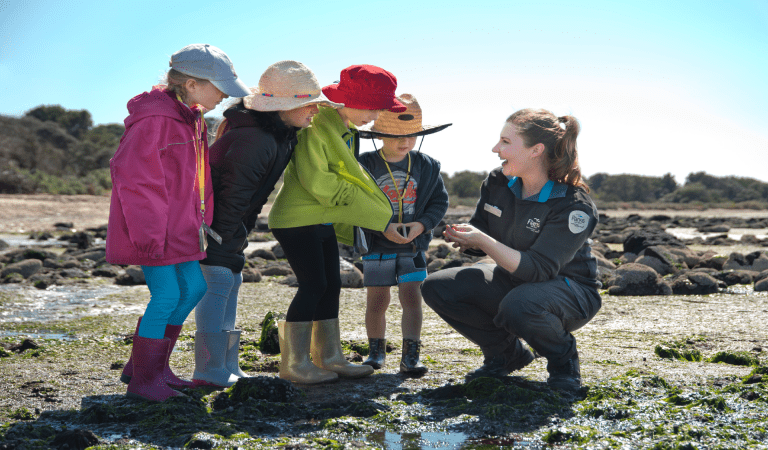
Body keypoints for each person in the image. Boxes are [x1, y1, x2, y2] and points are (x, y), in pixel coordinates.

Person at [420, 108, 601, 391]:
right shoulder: (498, 182)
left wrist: (483, 241)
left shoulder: (573, 205)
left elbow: (538, 269)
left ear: (535, 150)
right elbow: (483, 235)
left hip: (571, 291)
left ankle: (564, 364)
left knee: (520, 304)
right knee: (437, 286)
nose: (495, 148)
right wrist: (467, 238)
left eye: (505, 142)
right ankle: (506, 355)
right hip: (515, 280)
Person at [108, 44, 250, 401]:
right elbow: (133, 176)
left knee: (196, 289)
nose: (222, 96)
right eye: (218, 88)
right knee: (167, 294)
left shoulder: (193, 118)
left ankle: (150, 368)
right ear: (190, 83)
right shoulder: (155, 119)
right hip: (155, 230)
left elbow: (198, 179)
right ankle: (144, 381)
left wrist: (203, 220)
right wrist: (148, 232)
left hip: (185, 229)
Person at [191, 61, 343, 387]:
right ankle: (207, 369)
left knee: (230, 285)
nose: (317, 110)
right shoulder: (255, 141)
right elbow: (233, 196)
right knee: (218, 285)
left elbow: (249, 200)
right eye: (310, 104)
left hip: (228, 230)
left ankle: (226, 366)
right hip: (212, 230)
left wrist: (238, 238)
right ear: (283, 107)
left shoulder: (281, 135)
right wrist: (224, 240)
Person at [268, 64, 405, 384]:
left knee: (331, 285)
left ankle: (327, 356)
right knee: (313, 285)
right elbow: (320, 182)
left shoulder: (345, 129)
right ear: (348, 100)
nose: (375, 116)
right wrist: (378, 219)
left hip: (322, 217)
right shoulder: (317, 125)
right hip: (297, 219)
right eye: (373, 107)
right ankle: (294, 364)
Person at [356, 94, 450, 375]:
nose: (404, 142)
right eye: (395, 135)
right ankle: (376, 354)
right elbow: (355, 202)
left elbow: (439, 202)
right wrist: (381, 226)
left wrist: (421, 226)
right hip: (376, 245)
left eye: (411, 136)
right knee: (377, 300)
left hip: (413, 247)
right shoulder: (364, 164)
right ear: (378, 134)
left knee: (411, 297)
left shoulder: (427, 166)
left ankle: (411, 356)